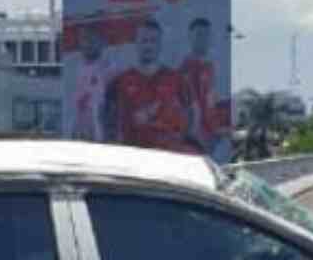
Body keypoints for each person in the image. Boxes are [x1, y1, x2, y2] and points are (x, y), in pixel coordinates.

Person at [106, 18, 199, 154]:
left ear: (160, 44)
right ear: (136, 43)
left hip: (167, 154)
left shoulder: (177, 79)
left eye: (153, 41)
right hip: (133, 154)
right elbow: (107, 117)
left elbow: (191, 112)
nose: (148, 46)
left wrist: (182, 139)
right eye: (144, 40)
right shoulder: (119, 81)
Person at [179, 17, 226, 160]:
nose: (203, 39)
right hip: (197, 139)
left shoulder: (210, 67)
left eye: (206, 35)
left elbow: (212, 101)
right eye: (199, 35)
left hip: (212, 135)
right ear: (190, 38)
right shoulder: (185, 69)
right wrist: (198, 136)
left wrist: (218, 130)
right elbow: (191, 109)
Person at [68, 21, 118, 143]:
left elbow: (113, 109)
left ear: (102, 42)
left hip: (100, 135)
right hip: (80, 135)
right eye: (84, 39)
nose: (87, 43)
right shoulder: (76, 70)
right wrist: (74, 131)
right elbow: (76, 109)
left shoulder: (109, 70)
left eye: (91, 39)